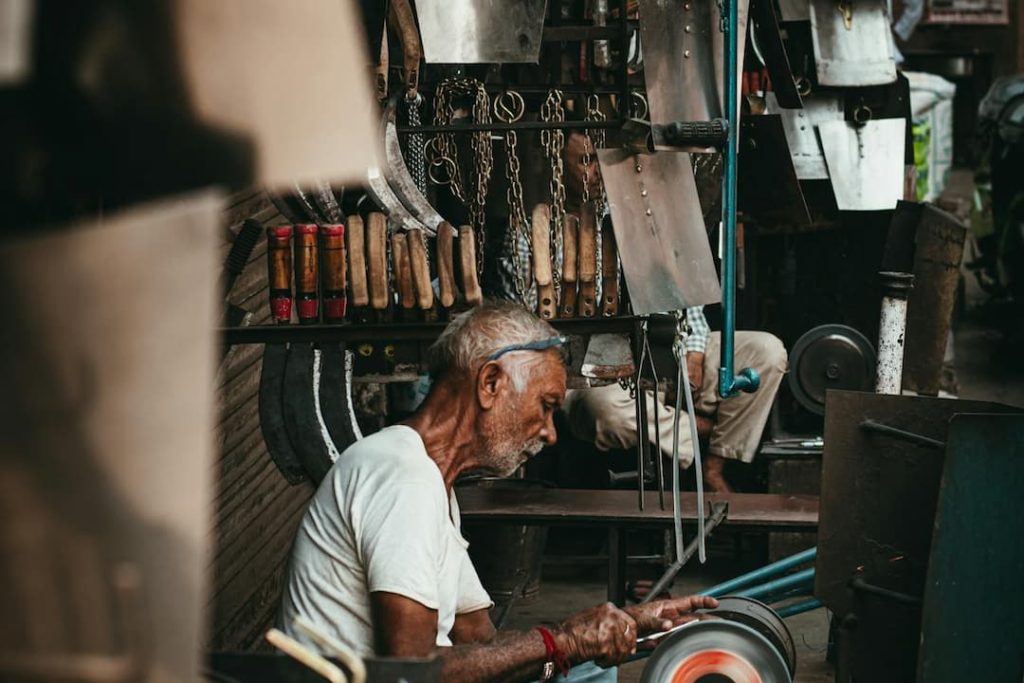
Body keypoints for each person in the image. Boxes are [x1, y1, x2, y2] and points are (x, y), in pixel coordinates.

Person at [279, 302, 717, 681]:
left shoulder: (431, 483)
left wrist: (626, 624)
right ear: (490, 383)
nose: (550, 434)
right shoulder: (401, 476)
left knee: (585, 670)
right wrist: (563, 641)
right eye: (546, 407)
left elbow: (482, 642)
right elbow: (410, 673)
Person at [559, 130, 788, 492]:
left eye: (599, 161)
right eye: (585, 163)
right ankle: (699, 434)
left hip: (665, 354)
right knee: (606, 411)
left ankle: (714, 466)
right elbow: (535, 332)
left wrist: (695, 348)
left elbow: (682, 290)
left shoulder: (636, 219)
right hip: (595, 375)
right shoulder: (534, 235)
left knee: (765, 352)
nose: (597, 173)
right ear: (559, 170)